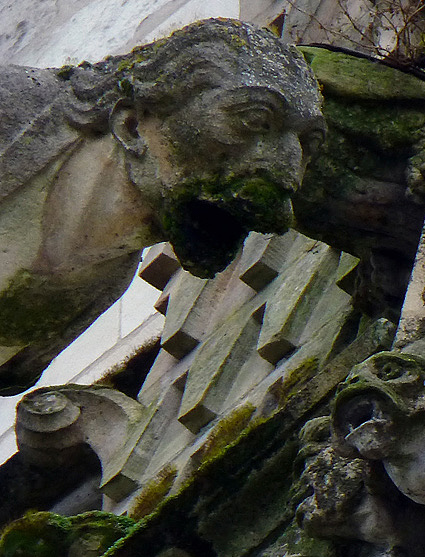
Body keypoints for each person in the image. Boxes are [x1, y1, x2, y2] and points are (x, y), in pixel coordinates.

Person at [0, 18, 325, 393]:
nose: (289, 170)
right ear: (133, 124)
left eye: (307, 146)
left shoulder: (104, 282)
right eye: (253, 119)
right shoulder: (14, 112)